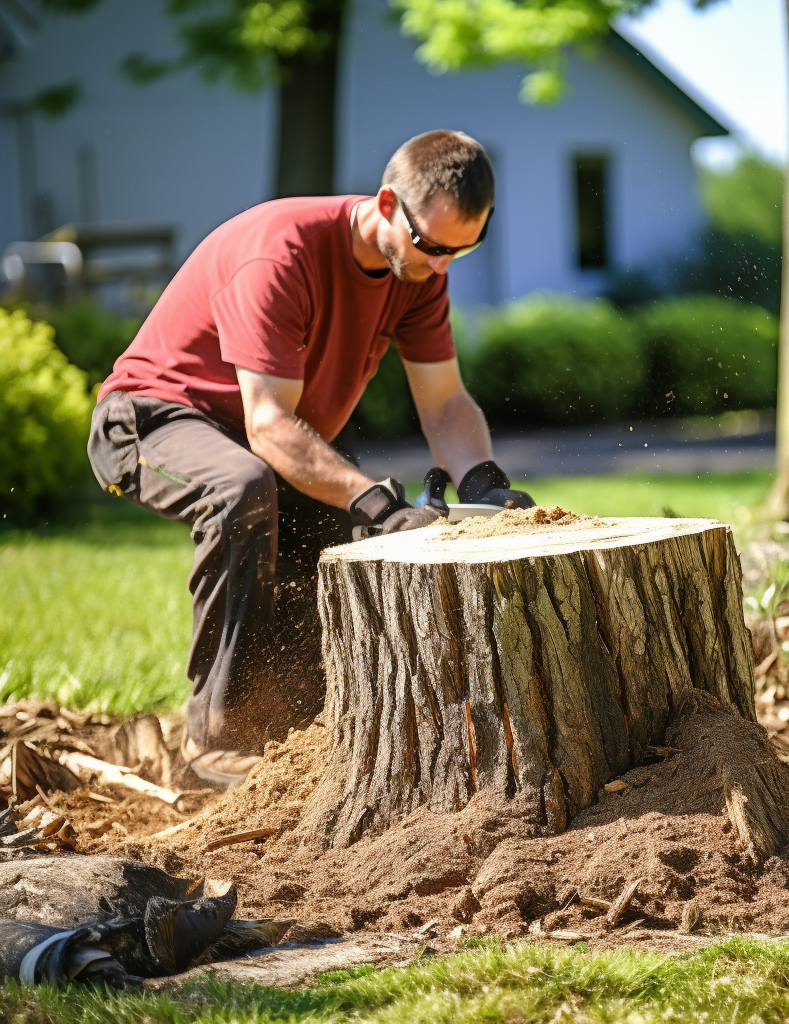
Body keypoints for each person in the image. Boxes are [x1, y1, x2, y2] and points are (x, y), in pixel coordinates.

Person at [87, 130, 533, 787]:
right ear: (386, 204)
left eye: (463, 250)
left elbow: (443, 402)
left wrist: (485, 485)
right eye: (433, 247)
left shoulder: (417, 272)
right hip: (151, 419)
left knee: (336, 537)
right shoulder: (281, 255)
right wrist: (380, 504)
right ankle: (214, 743)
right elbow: (267, 425)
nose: (442, 267)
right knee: (242, 490)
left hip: (265, 434)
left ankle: (306, 730)